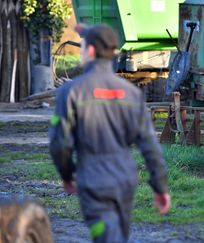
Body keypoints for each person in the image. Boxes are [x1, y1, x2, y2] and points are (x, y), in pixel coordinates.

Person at [49, 24, 171, 242]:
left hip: (93, 179)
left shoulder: (71, 91)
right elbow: (149, 145)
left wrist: (67, 175)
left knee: (106, 237)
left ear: (92, 51)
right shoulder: (132, 93)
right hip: (125, 179)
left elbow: (60, 143)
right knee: (117, 236)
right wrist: (160, 187)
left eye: (83, 46)